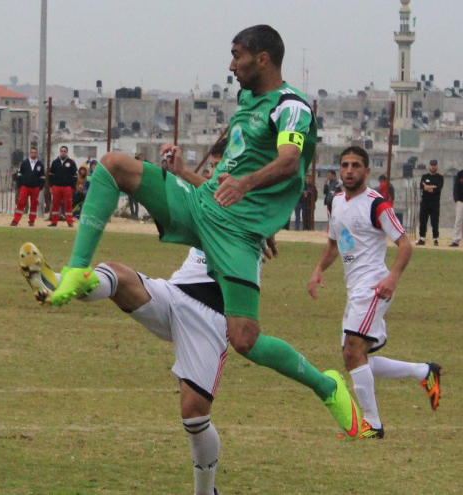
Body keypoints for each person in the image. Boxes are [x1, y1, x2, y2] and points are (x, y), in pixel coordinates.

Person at [48, 24, 360, 438]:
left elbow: (289, 162)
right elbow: (225, 182)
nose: (231, 66)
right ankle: (75, 268)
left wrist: (251, 195)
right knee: (113, 166)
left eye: (238, 55)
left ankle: (327, 385)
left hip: (236, 234)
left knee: (244, 338)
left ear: (262, 58)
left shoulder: (291, 107)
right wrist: (183, 175)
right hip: (202, 207)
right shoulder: (247, 99)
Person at [21, 242, 232, 495]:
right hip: (175, 294)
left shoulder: (253, 219)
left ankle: (205, 492)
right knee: (117, 274)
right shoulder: (210, 206)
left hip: (210, 315)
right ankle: (56, 281)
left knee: (194, 415)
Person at [308, 146, 441, 439]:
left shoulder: (377, 204)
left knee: (353, 351)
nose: (349, 170)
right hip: (355, 287)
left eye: (356, 165)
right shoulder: (335, 202)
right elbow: (333, 244)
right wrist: (318, 270)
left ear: (367, 171)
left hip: (375, 286)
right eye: (345, 165)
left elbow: (404, 246)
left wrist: (392, 279)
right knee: (357, 356)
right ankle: (424, 372)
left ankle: (372, 425)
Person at [11, 147, 45, 226]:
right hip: (25, 187)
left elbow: (42, 177)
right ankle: (16, 220)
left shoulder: (40, 164)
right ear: (30, 153)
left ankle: (32, 221)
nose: (33, 154)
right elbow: (19, 174)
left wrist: (40, 187)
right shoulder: (24, 163)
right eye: (32, 152)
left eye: (35, 152)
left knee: (34, 204)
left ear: (37, 154)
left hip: (35, 188)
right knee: (21, 203)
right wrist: (20, 185)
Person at [49, 146, 78, 227]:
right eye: (62, 151)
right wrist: (51, 186)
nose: (63, 152)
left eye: (65, 151)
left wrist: (72, 187)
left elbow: (75, 176)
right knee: (55, 204)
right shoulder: (55, 162)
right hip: (56, 187)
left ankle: (69, 222)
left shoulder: (71, 163)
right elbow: (51, 175)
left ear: (67, 152)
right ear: (59, 152)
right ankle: (54, 222)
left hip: (67, 187)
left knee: (68, 204)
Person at [417, 159, 443, 246]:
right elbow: (422, 187)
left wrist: (427, 187)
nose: (433, 166)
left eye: (434, 165)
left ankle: (435, 239)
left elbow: (438, 188)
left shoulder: (440, 177)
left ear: (437, 166)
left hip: (435, 203)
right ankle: (422, 238)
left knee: (434, 221)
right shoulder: (424, 176)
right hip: (425, 202)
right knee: (423, 220)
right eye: (432, 165)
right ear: (429, 166)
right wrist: (431, 187)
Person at [453, 167, 463, 247]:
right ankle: (456, 240)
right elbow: (456, 186)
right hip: (460, 201)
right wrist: (456, 198)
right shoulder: (460, 174)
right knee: (458, 221)